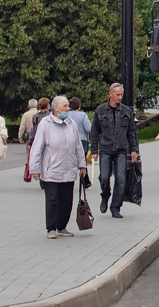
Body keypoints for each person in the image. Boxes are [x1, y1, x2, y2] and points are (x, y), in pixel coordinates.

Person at [28, 95, 87, 238]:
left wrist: (82, 165)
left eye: (67, 106)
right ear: (55, 108)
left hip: (68, 168)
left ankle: (62, 226)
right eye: (65, 106)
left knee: (67, 200)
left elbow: (78, 146)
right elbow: (37, 147)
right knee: (52, 199)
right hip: (51, 169)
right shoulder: (45, 124)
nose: (67, 109)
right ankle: (51, 228)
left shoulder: (71, 123)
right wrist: (34, 169)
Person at [90, 83, 139, 219]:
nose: (120, 97)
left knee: (121, 179)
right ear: (110, 94)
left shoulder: (126, 111)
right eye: (117, 94)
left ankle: (115, 207)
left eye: (121, 95)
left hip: (121, 150)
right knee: (104, 177)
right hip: (105, 149)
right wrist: (94, 150)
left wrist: (133, 150)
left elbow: (131, 132)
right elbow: (94, 132)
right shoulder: (100, 111)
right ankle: (105, 195)